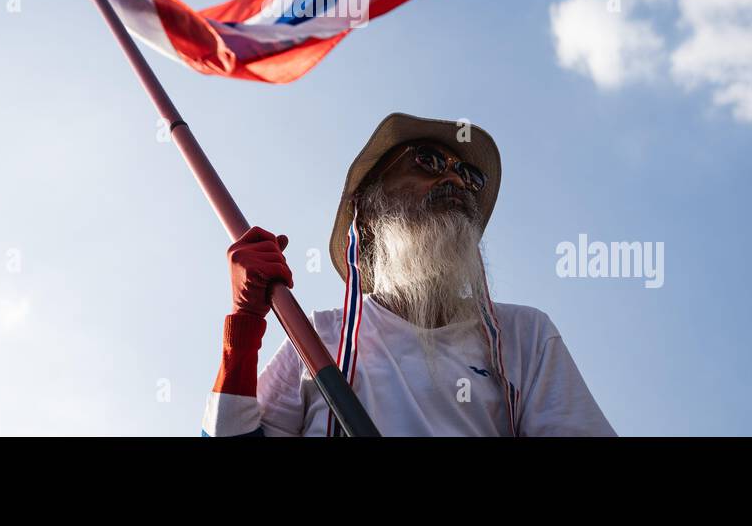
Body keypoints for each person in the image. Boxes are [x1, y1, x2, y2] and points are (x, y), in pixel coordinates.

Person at [201, 112, 617, 436]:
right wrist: (244, 329)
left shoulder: (524, 335)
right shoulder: (316, 340)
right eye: (429, 161)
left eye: (470, 177)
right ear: (369, 209)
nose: (455, 178)